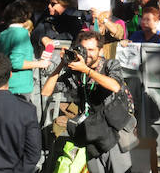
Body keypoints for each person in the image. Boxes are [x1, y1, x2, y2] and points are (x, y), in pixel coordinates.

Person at [41, 31, 132, 173]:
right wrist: (62, 64)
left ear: (100, 50)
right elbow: (46, 91)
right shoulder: (75, 73)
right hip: (92, 132)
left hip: (115, 132)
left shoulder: (109, 65)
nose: (87, 54)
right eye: (84, 49)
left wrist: (87, 71)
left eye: (91, 50)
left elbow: (115, 86)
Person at [0, 1, 51, 98]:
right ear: (26, 15)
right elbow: (16, 63)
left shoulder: (4, 33)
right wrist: (40, 64)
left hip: (6, 84)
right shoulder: (21, 33)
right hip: (19, 87)